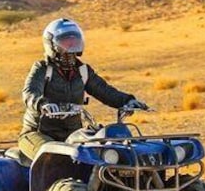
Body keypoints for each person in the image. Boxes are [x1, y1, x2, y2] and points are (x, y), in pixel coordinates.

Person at [18, 18, 147, 160]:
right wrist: (42, 105)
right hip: (38, 133)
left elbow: (105, 91)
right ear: (52, 45)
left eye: (74, 42)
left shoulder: (83, 71)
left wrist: (128, 101)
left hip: (73, 133)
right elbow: (29, 92)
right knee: (55, 158)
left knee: (98, 155)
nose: (71, 48)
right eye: (65, 43)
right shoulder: (42, 69)